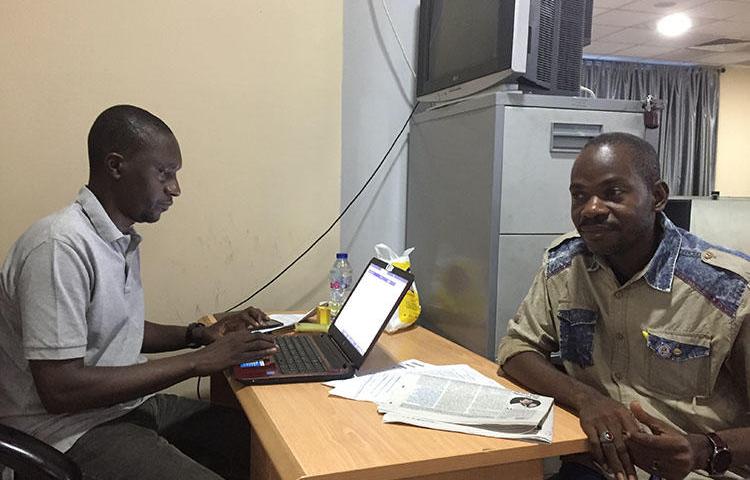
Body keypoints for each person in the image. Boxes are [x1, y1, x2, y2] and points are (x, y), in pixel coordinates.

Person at [0, 105, 279, 480]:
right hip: (67, 433)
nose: (175, 189)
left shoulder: (116, 239)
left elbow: (116, 327)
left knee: (263, 446)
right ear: (116, 166)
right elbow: (60, 389)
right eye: (164, 174)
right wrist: (199, 361)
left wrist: (198, 335)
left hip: (119, 409)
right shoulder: (59, 247)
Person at [496, 132, 750, 480]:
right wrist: (587, 399)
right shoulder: (565, 265)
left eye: (613, 193)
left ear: (657, 197)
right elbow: (516, 349)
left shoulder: (729, 290)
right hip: (594, 468)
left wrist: (704, 449)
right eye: (579, 196)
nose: (591, 209)